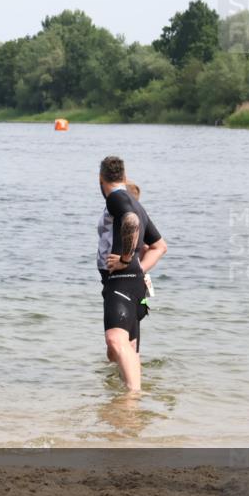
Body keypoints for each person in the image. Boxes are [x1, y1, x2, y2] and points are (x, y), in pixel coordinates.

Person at [96, 157, 167, 392]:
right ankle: (126, 402)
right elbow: (160, 246)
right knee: (121, 349)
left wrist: (126, 260)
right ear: (124, 177)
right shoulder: (137, 204)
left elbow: (131, 221)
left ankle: (131, 399)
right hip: (132, 283)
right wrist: (139, 268)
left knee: (115, 340)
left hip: (121, 280)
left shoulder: (116, 197)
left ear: (100, 179)